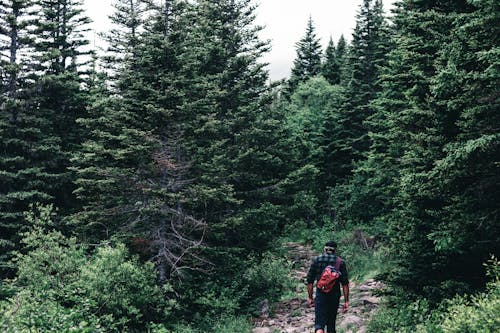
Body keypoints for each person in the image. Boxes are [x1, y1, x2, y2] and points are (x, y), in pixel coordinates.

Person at [306, 240, 349, 333]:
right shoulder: (340, 262)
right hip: (334, 295)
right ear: (335, 250)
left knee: (319, 323)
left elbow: (310, 281)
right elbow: (345, 284)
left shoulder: (317, 260)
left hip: (321, 294)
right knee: (331, 323)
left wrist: (310, 297)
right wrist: (346, 301)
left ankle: (319, 330)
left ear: (325, 249)